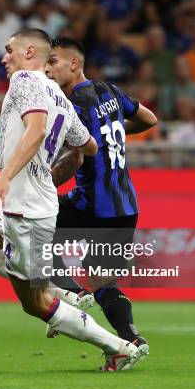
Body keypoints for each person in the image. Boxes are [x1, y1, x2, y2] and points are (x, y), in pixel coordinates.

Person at [0, 29, 146, 371]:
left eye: (9, 51)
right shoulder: (60, 98)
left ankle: (117, 347)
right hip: (31, 199)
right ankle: (68, 294)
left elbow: (36, 130)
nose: (4, 58)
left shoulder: (24, 81)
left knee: (35, 303)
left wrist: (5, 176)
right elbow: (88, 146)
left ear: (30, 52)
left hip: (24, 205)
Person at [44, 37, 157, 353]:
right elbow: (149, 119)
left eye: (53, 62)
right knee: (104, 282)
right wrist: (114, 130)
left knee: (31, 230)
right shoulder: (110, 91)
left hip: (91, 204)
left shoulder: (73, 106)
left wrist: (43, 186)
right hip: (125, 206)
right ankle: (133, 338)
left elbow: (77, 157)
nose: (48, 69)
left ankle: (71, 297)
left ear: (74, 64)